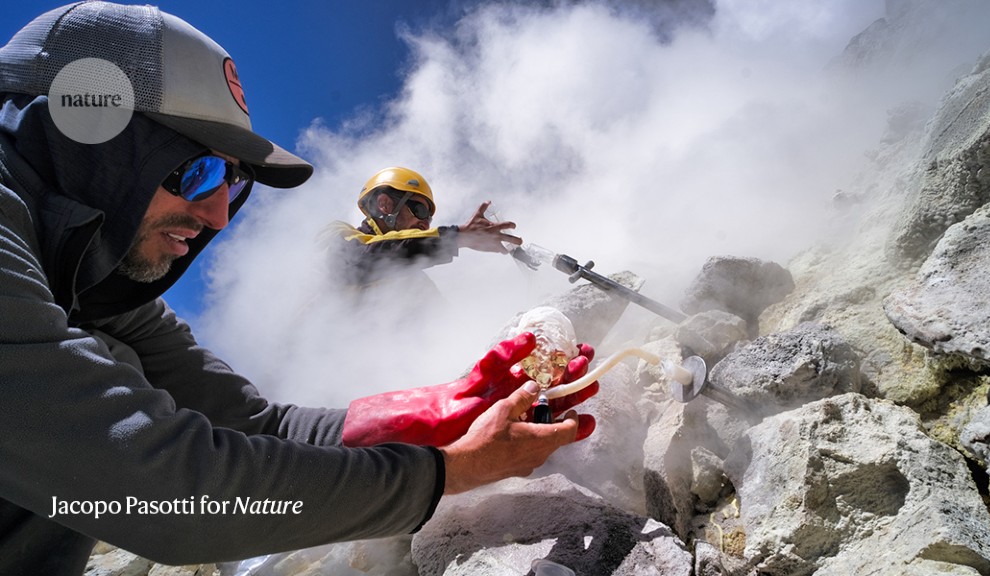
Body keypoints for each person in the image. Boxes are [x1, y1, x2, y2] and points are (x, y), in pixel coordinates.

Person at [0, 3, 599, 575]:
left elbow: (259, 427)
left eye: (231, 181)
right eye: (198, 170)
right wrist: (448, 472)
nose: (217, 215)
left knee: (118, 358)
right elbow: (172, 493)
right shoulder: (342, 239)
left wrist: (447, 407)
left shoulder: (96, 292)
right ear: (85, 129)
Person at [322, 166, 522, 302]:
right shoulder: (336, 237)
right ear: (385, 204)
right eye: (420, 211)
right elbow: (360, 262)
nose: (425, 224)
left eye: (429, 220)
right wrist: (458, 236)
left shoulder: (417, 283)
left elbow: (445, 331)